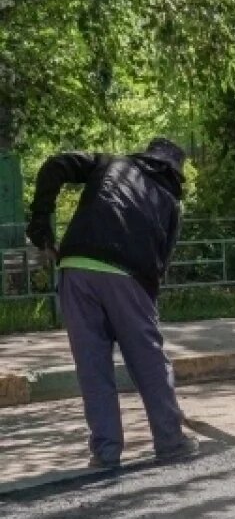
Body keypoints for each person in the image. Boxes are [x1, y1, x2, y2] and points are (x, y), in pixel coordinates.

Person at [25, 138, 199, 468]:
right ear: (174, 173)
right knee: (149, 360)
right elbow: (160, 265)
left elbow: (54, 166)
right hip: (128, 275)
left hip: (75, 268)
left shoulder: (109, 164)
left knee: (92, 366)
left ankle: (105, 454)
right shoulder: (169, 202)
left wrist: (41, 223)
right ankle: (170, 440)